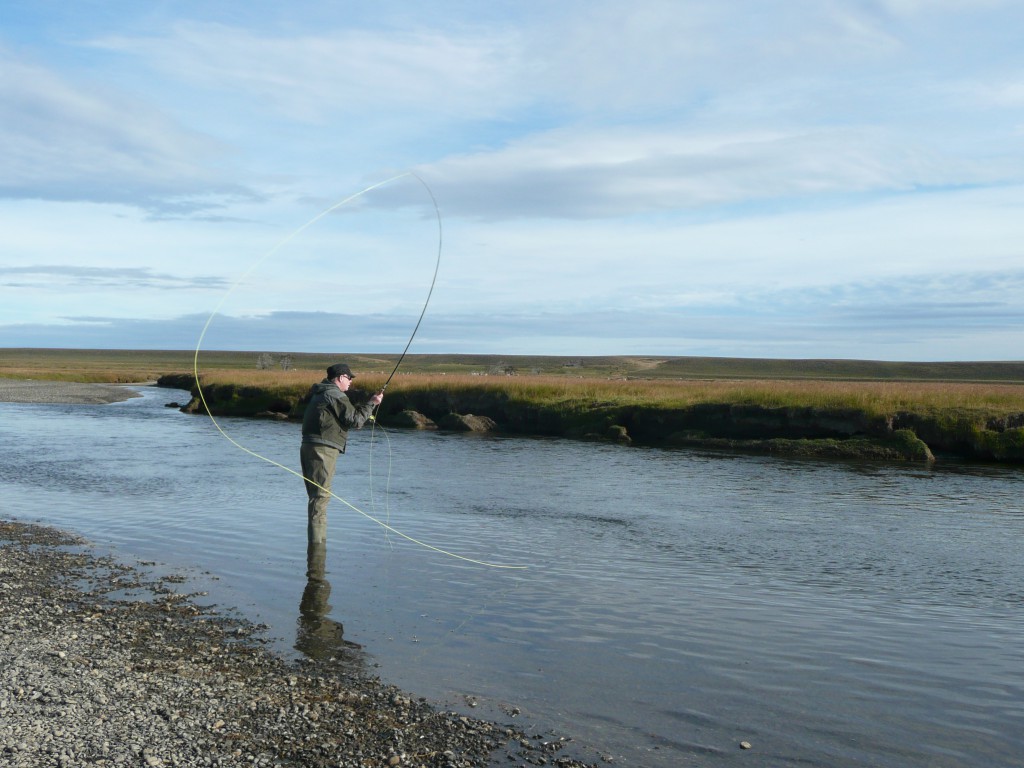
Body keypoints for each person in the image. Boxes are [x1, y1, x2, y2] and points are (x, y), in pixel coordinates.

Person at [300, 363, 383, 544]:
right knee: (320, 499)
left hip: (311, 447)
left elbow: (351, 418)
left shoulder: (321, 392)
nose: (351, 381)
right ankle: (317, 549)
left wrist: (368, 405)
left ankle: (315, 549)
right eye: (349, 378)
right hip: (322, 450)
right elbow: (356, 421)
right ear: (339, 378)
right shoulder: (335, 394)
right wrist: (372, 403)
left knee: (316, 499)